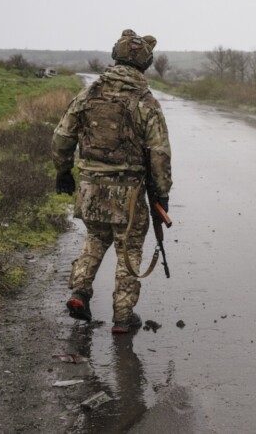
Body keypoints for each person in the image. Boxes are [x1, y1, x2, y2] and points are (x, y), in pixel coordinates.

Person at [52, 29, 172, 334]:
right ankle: (122, 316)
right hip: (129, 194)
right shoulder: (145, 101)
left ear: (115, 56)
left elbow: (63, 135)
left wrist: (63, 172)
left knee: (95, 238)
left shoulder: (89, 94)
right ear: (145, 64)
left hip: (91, 188)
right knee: (129, 249)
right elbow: (159, 152)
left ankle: (79, 293)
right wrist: (161, 193)